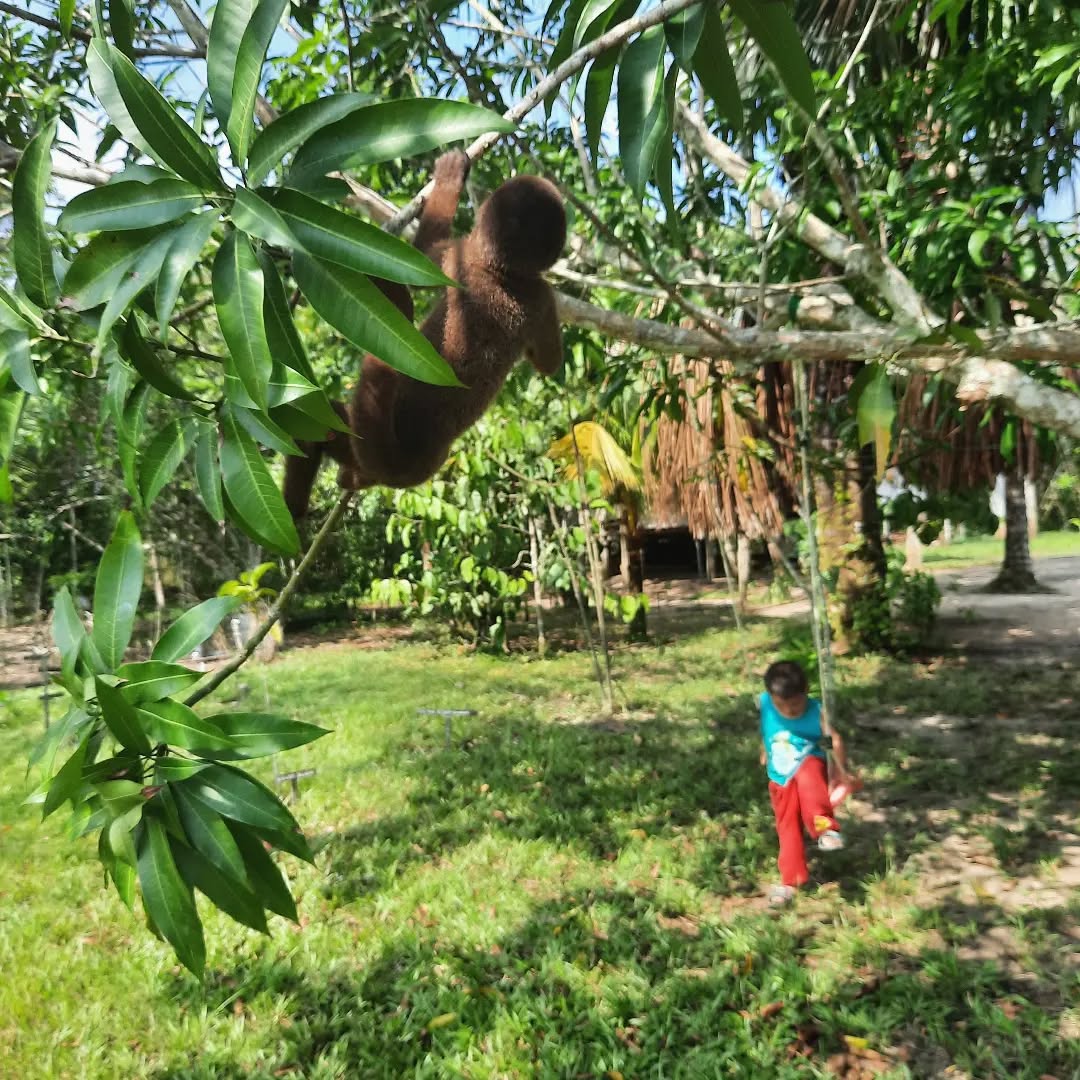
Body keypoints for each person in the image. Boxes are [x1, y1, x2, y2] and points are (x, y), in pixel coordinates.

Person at [759, 659, 856, 906]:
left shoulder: (815, 711)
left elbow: (834, 740)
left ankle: (826, 830)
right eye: (784, 705)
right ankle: (790, 881)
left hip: (807, 760)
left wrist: (840, 771)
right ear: (772, 696)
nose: (790, 711)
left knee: (811, 788)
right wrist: (763, 749)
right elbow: (765, 728)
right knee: (787, 826)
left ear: (805, 692)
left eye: (795, 704)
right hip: (779, 775)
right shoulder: (765, 704)